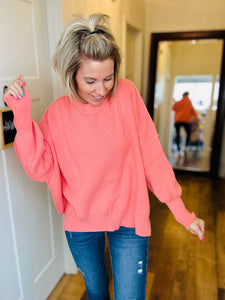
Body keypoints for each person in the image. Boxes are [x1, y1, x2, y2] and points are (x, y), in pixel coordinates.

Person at [3, 14, 204, 300]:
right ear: (72, 74)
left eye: (108, 78)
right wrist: (22, 116)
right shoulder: (57, 114)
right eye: (91, 81)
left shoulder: (127, 95)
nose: (101, 89)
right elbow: (38, 168)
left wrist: (183, 213)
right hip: (81, 224)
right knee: (97, 293)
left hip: (129, 220)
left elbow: (152, 155)